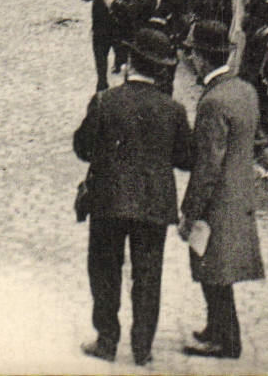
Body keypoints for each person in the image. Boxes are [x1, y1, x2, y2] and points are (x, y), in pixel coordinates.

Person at [73, 28, 194, 367]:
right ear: (160, 70)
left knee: (104, 270)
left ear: (128, 63)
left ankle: (107, 341)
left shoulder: (105, 101)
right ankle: (142, 348)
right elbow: (187, 158)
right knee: (148, 275)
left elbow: (83, 148)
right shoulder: (174, 109)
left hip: (108, 201)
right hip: (153, 204)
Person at [178, 20, 264, 360]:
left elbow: (207, 165)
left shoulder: (213, 101)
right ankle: (215, 327)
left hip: (218, 199)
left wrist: (190, 209)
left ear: (201, 57)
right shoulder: (244, 90)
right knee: (215, 266)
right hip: (240, 191)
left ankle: (226, 340)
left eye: (193, 54)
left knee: (213, 269)